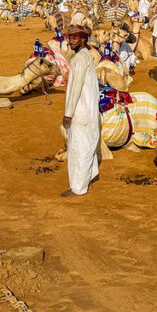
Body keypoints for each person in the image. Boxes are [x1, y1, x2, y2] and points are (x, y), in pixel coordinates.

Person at [62, 25, 100, 197]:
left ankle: (78, 187)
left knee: (78, 148)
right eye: (70, 38)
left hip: (80, 111)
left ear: (83, 39)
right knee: (88, 145)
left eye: (75, 38)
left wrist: (68, 114)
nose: (71, 41)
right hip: (90, 108)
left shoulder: (79, 59)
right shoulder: (86, 56)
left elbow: (76, 88)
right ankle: (89, 177)